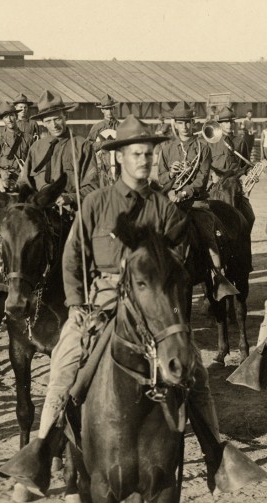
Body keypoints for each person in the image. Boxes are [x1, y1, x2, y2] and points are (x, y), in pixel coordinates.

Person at [37, 115, 248, 490]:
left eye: (149, 154)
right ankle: (39, 454)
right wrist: (75, 304)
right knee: (64, 364)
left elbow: (174, 265)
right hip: (101, 301)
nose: (145, 161)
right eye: (137, 154)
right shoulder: (97, 203)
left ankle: (216, 453)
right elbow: (73, 257)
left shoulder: (164, 208)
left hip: (150, 305)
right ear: (119, 158)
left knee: (195, 373)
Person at [157, 101, 237, 300]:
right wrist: (170, 174)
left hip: (195, 204)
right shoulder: (166, 149)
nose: (184, 126)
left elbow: (201, 180)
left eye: (188, 122)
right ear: (174, 123)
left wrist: (183, 193)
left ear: (193, 123)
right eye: (180, 122)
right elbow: (160, 178)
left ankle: (217, 277)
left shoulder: (203, 148)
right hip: (171, 204)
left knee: (208, 237)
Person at [19, 90, 98, 210]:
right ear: (43, 123)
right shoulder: (36, 148)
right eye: (48, 121)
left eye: (57, 119)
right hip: (40, 215)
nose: (54, 125)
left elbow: (93, 187)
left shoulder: (82, 146)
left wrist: (71, 197)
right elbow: (24, 183)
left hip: (71, 214)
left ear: (65, 117)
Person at [209, 105, 255, 231]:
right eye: (225, 122)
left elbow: (246, 165)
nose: (228, 125)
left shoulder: (240, 142)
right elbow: (205, 164)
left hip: (235, 188)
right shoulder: (211, 143)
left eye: (230, 121)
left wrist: (251, 174)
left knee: (250, 217)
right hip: (216, 188)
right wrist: (213, 175)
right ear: (219, 124)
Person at [0, 102, 34, 192]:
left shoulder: (28, 139)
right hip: (2, 184)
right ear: (3, 119)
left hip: (22, 184)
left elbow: (35, 162)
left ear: (16, 116)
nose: (9, 119)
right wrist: (0, 172)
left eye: (11, 115)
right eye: (6, 117)